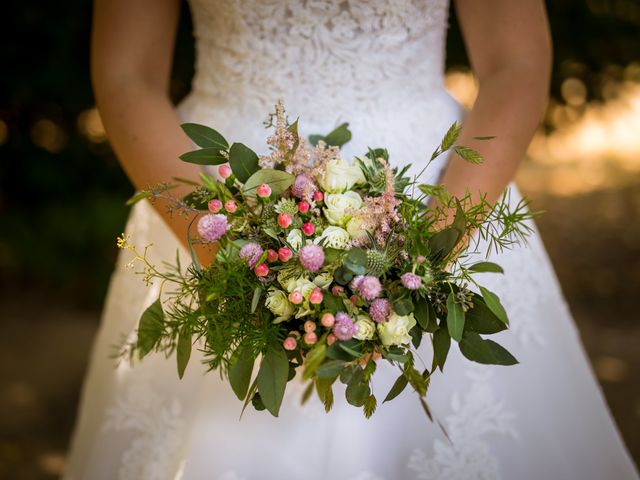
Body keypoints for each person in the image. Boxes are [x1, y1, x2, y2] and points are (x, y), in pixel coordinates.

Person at [64, 0, 639, 479]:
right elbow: (126, 72)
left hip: (431, 191)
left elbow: (517, 62)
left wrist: (426, 250)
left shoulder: (431, 230)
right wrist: (237, 255)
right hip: (212, 193)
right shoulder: (220, 228)